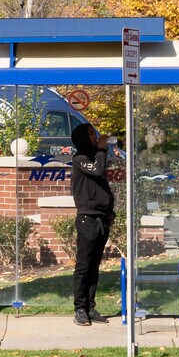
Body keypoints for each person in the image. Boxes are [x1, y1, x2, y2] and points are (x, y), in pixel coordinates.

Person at [68, 122, 114, 326]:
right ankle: (79, 308)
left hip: (101, 217)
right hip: (88, 218)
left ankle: (90, 306)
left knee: (94, 265)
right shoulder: (80, 159)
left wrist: (109, 212)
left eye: (95, 134)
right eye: (91, 135)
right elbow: (97, 170)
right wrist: (103, 149)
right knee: (84, 265)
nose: (95, 137)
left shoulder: (96, 157)